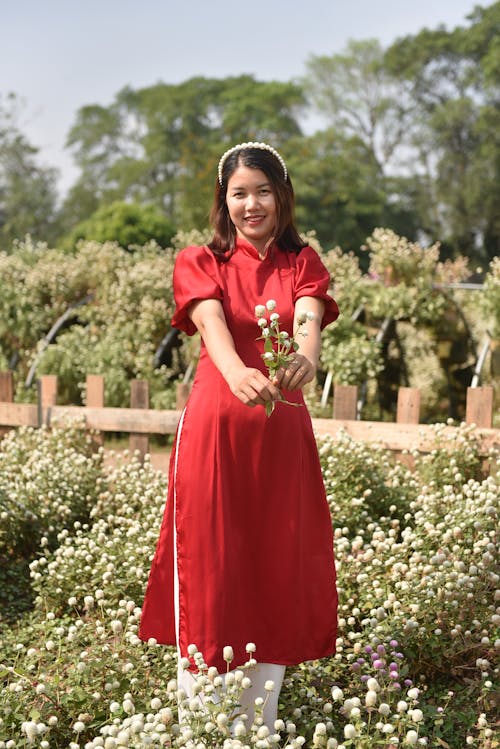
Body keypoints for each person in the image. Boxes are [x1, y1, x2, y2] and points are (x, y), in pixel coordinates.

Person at [139, 141, 339, 728]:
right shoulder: (199, 260)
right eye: (238, 194)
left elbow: (307, 318)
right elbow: (211, 326)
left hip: (280, 437)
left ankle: (258, 726)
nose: (251, 204)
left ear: (282, 196)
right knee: (211, 565)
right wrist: (236, 372)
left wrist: (303, 359)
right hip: (216, 430)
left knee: (275, 563)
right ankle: (202, 724)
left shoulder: (303, 261)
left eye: (262, 191)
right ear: (223, 202)